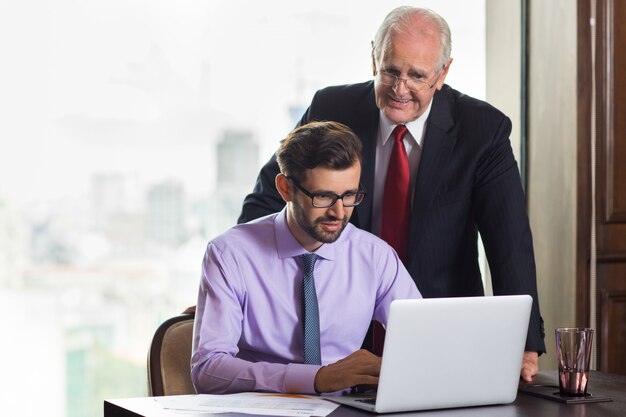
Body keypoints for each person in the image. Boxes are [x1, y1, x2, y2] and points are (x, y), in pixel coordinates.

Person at [238, 6, 546, 382]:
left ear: (443, 73)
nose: (401, 89)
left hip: (437, 322)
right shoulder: (331, 108)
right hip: (339, 324)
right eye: (391, 71)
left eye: (417, 75)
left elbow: (508, 241)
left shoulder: (482, 130)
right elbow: (268, 199)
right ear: (374, 59)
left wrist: (524, 342)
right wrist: (236, 288)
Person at [191, 121, 421, 394]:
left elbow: (422, 340)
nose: (339, 212)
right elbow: (208, 369)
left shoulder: (374, 256)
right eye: (323, 197)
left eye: (349, 195)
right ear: (285, 189)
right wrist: (316, 379)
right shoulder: (230, 254)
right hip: (261, 411)